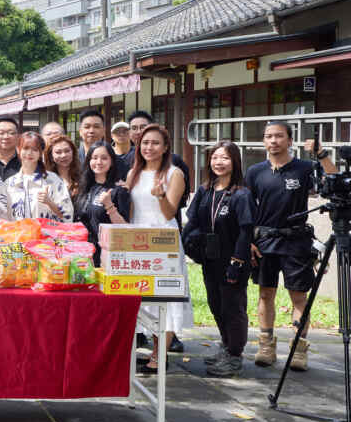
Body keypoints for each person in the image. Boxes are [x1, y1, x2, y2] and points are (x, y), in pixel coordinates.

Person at [246, 121, 318, 371]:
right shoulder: (255, 171)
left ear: (289, 140)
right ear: (264, 141)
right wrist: (250, 241)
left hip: (296, 241)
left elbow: (331, 181)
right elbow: (248, 209)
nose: (273, 141)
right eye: (268, 136)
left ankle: (299, 349)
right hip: (264, 241)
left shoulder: (305, 168)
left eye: (279, 136)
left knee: (299, 296)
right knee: (265, 293)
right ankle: (266, 345)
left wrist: (322, 155)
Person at [183, 141, 254, 377]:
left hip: (233, 260)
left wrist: (238, 262)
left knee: (233, 308)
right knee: (216, 305)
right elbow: (192, 221)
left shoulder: (241, 194)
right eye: (215, 158)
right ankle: (226, 347)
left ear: (234, 162)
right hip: (209, 259)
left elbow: (246, 232)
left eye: (224, 158)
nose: (219, 162)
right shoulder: (205, 190)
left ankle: (235, 355)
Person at [124, 109, 192, 353]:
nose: (149, 147)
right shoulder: (133, 173)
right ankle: (151, 348)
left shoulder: (174, 173)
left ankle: (159, 354)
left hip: (164, 241)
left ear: (165, 148)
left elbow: (168, 213)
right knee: (143, 299)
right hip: (137, 241)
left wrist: (161, 195)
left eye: (155, 143)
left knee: (165, 298)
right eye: (145, 143)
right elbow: (131, 212)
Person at [75, 141, 130, 266]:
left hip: (106, 256)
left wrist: (109, 205)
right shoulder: (84, 187)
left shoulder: (118, 190)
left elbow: (125, 228)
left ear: (111, 162)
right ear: (88, 161)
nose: (99, 162)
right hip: (82, 255)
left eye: (104, 158)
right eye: (94, 158)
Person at [3, 132, 73, 221]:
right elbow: (3, 217)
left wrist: (49, 202)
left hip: (45, 234)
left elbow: (67, 215)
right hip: (17, 234)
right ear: (18, 149)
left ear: (41, 153)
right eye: (25, 148)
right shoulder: (10, 183)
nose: (29, 153)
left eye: (35, 149)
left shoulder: (52, 180)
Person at [45, 135, 82, 205]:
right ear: (51, 156)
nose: (63, 155)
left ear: (73, 152)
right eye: (58, 152)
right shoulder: (46, 178)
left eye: (67, 151)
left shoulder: (82, 175)